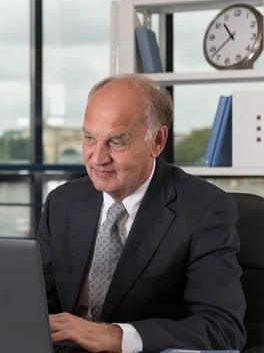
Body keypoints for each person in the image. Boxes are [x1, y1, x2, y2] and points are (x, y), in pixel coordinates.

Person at [36, 74, 246, 353]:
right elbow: (38, 305)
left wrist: (115, 337)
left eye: (116, 142)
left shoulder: (205, 210)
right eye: (89, 138)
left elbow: (222, 330)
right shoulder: (61, 202)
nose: (97, 158)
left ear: (157, 141)